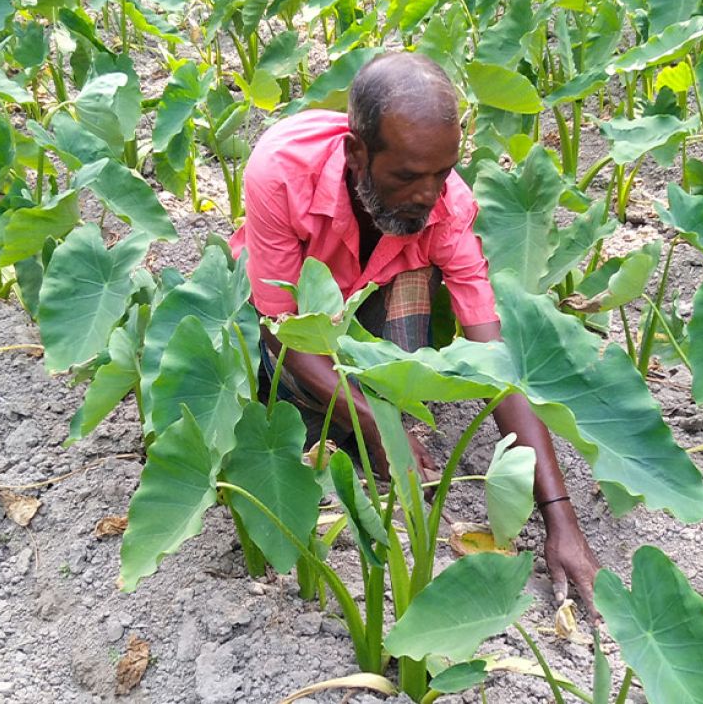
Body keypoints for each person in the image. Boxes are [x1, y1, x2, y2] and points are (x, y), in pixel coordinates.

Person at [227, 51, 600, 611]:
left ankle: (377, 417)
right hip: (295, 318)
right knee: (297, 434)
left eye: (442, 173)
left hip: (372, 302)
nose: (428, 194)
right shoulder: (280, 170)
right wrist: (375, 423)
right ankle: (371, 420)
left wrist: (560, 518)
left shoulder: (447, 206)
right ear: (357, 154)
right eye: (407, 176)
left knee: (413, 277)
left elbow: (491, 358)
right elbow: (282, 330)